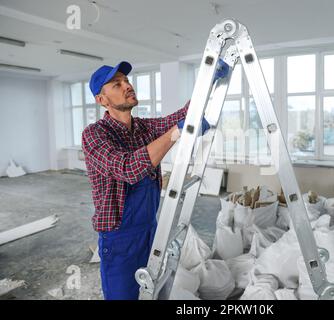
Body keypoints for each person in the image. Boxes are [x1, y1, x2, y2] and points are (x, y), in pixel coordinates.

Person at [82, 59, 229, 300]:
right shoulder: (95, 134)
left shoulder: (142, 127)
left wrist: (209, 81)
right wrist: (178, 132)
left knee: (154, 292)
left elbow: (183, 116)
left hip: (151, 229)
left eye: (127, 81)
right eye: (117, 84)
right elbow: (127, 169)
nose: (127, 86)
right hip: (120, 239)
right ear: (102, 100)